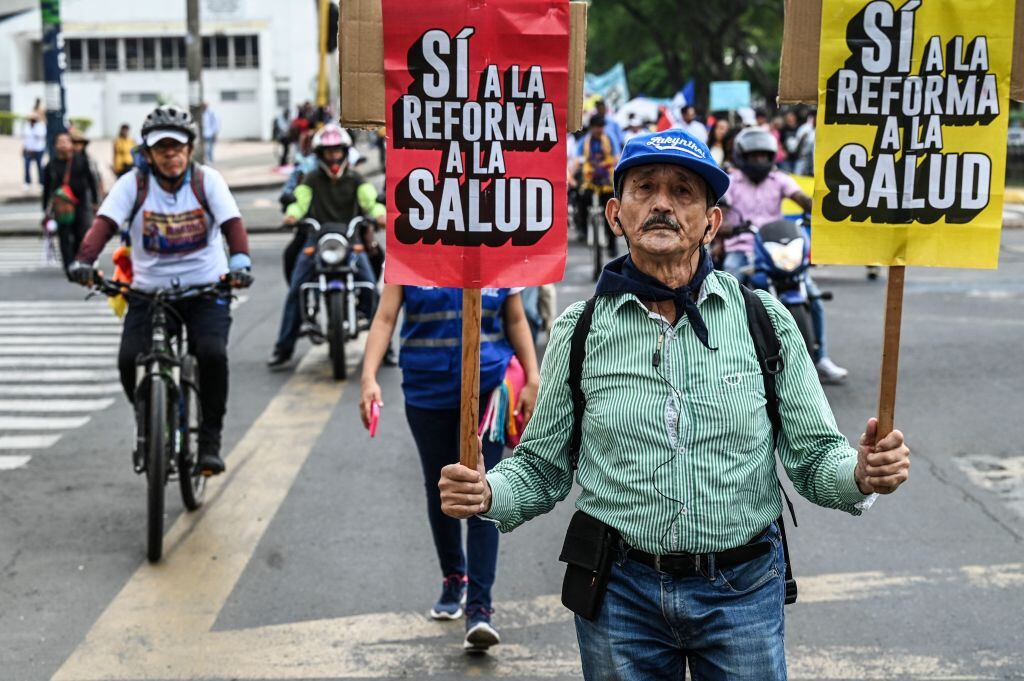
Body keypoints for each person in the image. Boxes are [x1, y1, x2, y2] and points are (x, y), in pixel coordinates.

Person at [438, 128, 912, 679]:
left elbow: (814, 458)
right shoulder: (579, 330)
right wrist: (489, 490)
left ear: (711, 222)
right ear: (616, 214)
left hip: (744, 591)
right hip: (619, 593)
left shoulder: (765, 320)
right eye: (646, 188)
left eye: (684, 191)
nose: (663, 203)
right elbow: (542, 468)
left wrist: (859, 472)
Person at [67, 105, 254, 476]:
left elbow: (233, 225)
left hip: (206, 288)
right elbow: (103, 225)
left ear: (190, 148)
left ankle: (210, 442)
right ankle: (150, 419)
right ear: (149, 154)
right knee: (128, 359)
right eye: (162, 148)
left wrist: (240, 264)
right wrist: (84, 261)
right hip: (148, 293)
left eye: (178, 147)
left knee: (212, 354)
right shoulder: (133, 185)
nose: (172, 154)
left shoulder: (207, 181)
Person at [360, 284, 539, 653]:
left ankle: (480, 607)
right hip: (426, 392)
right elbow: (386, 317)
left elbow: (516, 317)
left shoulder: (494, 247)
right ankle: (454, 577)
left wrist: (533, 376)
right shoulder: (412, 250)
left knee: (480, 490)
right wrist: (368, 377)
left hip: (488, 388)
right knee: (439, 487)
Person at [721, 127, 848, 384]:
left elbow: (802, 198)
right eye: (754, 156)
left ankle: (821, 357)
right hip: (742, 246)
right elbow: (718, 213)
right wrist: (728, 226)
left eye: (764, 156)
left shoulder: (779, 180)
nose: (759, 161)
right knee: (726, 288)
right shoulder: (731, 181)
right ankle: (725, 356)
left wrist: (823, 203)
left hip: (777, 246)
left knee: (811, 293)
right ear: (742, 156)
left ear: (772, 157)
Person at [267, 124, 383, 369]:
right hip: (316, 240)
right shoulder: (311, 178)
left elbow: (370, 202)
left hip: (350, 241)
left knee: (371, 288)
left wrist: (380, 214)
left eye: (337, 151)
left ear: (344, 152)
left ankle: (386, 348)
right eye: (328, 152)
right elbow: (300, 202)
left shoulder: (355, 178)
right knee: (297, 289)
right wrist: (292, 215)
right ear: (320, 155)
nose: (333, 157)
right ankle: (283, 348)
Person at [42, 130, 99, 274]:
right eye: (59, 142)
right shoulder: (51, 165)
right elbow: (47, 187)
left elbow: (92, 181)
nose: (62, 145)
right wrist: (45, 208)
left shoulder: (81, 160)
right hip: (62, 206)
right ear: (55, 146)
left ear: (70, 144)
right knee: (64, 235)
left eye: (65, 142)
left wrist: (94, 200)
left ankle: (78, 261)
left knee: (81, 233)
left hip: (81, 203)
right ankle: (68, 264)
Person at [575, 114, 621, 258]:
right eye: (597, 127)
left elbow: (617, 158)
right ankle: (582, 228)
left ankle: (612, 246)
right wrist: (570, 176)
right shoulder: (584, 141)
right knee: (580, 198)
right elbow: (576, 160)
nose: (599, 130)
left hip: (606, 179)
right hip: (590, 179)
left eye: (601, 127)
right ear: (592, 128)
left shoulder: (610, 138)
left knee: (610, 211)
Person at [22, 112, 47, 191]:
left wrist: (34, 129)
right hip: (28, 150)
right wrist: (24, 148)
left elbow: (41, 136)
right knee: (26, 166)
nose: (32, 121)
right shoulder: (26, 126)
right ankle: (27, 183)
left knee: (40, 167)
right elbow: (26, 138)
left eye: (34, 119)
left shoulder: (41, 126)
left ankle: (41, 183)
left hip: (38, 150)